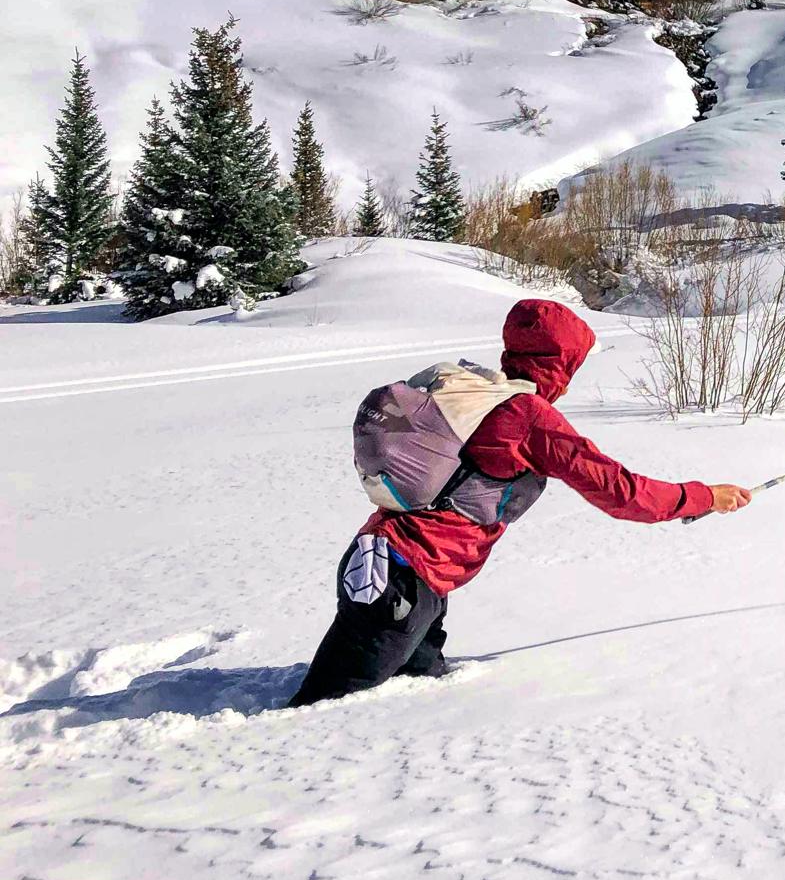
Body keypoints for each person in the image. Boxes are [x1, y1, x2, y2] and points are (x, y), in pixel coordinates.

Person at [290, 298, 749, 706]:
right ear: (562, 362)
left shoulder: (474, 391)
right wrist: (705, 497)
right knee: (318, 719)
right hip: (396, 581)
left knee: (408, 701)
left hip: (413, 575)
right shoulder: (526, 416)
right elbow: (621, 492)